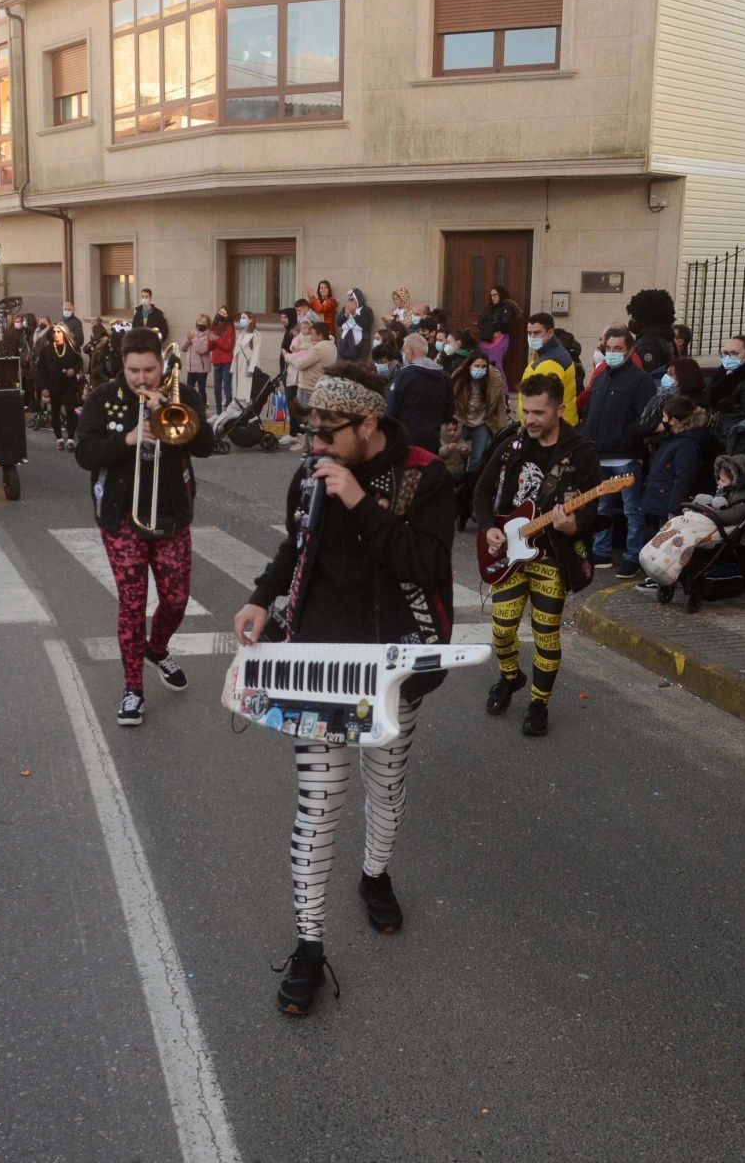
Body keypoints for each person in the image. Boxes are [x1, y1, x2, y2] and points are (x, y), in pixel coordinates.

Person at [232, 361, 455, 1016]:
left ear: (368, 423)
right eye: (311, 432)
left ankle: (375, 874)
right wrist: (261, 598)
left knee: (384, 783)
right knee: (320, 800)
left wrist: (360, 502)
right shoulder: (313, 470)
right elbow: (296, 548)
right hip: (319, 658)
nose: (315, 447)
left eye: (328, 434)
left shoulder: (423, 474)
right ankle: (307, 945)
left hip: (393, 660)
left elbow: (425, 565)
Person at [73, 330, 214, 725]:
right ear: (123, 366)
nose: (141, 379)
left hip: (170, 514)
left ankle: (158, 648)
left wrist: (170, 408)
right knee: (133, 605)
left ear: (160, 365)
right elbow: (85, 453)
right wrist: (130, 437)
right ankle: (133, 689)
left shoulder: (181, 394)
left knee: (176, 599)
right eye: (134, 370)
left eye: (149, 370)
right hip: (122, 517)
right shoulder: (104, 398)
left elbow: (206, 444)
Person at [473, 374, 602, 737]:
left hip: (550, 559)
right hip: (509, 554)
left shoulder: (582, 453)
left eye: (539, 412)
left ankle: (538, 703)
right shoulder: (513, 444)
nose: (530, 419)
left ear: (560, 409)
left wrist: (573, 527)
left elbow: (594, 506)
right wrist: (488, 529)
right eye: (525, 410)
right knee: (501, 629)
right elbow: (481, 491)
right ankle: (510, 677)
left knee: (546, 635)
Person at [578, 326, 657, 572]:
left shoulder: (640, 380)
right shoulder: (601, 377)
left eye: (618, 349)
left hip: (625, 456)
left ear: (629, 350)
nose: (612, 353)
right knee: (602, 507)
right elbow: (590, 412)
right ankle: (601, 551)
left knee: (632, 509)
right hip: (599, 455)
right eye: (608, 348)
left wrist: (626, 438)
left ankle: (633, 555)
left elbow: (647, 418)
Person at [634, 396, 719, 573]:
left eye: (665, 417)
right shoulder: (676, 438)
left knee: (665, 545)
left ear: (674, 420)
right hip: (660, 497)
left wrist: (673, 509)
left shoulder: (686, 444)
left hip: (667, 501)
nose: (662, 420)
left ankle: (662, 576)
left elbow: (683, 479)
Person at [385, 332, 453, 455]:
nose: (403, 353)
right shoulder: (444, 376)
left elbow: (392, 408)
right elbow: (449, 409)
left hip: (407, 439)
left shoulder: (404, 375)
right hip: (432, 439)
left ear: (411, 351)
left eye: (404, 350)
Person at [450, 348, 509, 475]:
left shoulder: (494, 381)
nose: (480, 369)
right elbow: (450, 401)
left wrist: (502, 430)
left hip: (482, 422)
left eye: (483, 367)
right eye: (477, 366)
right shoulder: (458, 378)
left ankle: (471, 486)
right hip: (461, 420)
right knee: (456, 456)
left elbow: (499, 406)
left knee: (477, 458)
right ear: (469, 366)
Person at [518, 313, 578, 427]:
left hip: (546, 428)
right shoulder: (547, 353)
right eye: (529, 333)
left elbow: (540, 403)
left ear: (550, 333)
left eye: (536, 333)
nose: (531, 337)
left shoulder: (550, 362)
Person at [35, 322, 86, 450]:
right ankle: (59, 438)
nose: (56, 334)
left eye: (59, 332)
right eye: (54, 332)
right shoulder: (47, 350)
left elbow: (79, 361)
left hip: (68, 385)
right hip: (53, 385)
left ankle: (70, 438)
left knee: (71, 411)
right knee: (55, 411)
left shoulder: (72, 347)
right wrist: (44, 388)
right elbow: (41, 369)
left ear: (64, 333)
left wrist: (73, 370)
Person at [284, 321, 338, 432]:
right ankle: (308, 443)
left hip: (309, 386)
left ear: (320, 336)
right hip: (318, 385)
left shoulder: (319, 348)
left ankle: (309, 445)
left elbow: (300, 364)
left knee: (308, 419)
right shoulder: (330, 345)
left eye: (313, 334)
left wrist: (287, 357)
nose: (310, 336)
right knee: (312, 419)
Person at [625, 289, 677, 374]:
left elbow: (648, 374)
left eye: (633, 316)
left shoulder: (649, 343)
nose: (631, 319)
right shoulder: (664, 336)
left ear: (643, 318)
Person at [476, 285, 520, 369]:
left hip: (499, 338)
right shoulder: (489, 307)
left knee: (495, 364)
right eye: (491, 295)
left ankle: (498, 382)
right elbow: (480, 322)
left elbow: (505, 323)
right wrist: (490, 329)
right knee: (482, 362)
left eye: (495, 294)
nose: (493, 297)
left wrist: (492, 327)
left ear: (501, 294)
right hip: (486, 338)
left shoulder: (507, 307)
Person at [334, 288, 373, 363]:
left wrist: (354, 314)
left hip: (360, 347)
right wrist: (345, 315)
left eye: (352, 299)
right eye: (349, 299)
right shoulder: (345, 309)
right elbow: (338, 323)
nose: (350, 301)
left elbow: (365, 325)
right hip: (345, 345)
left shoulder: (366, 310)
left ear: (358, 299)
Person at [183, 314, 213, 403]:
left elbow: (201, 350)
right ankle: (189, 407)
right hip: (191, 368)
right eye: (199, 322)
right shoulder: (192, 334)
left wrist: (193, 339)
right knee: (189, 389)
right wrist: (188, 340)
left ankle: (202, 408)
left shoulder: (209, 336)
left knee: (201, 390)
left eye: (204, 322)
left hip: (202, 369)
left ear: (208, 324)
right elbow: (183, 348)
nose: (201, 324)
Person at [209, 310, 235, 410]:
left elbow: (228, 347)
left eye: (224, 313)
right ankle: (218, 411)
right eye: (220, 312)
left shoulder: (229, 329)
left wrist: (216, 339)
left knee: (227, 389)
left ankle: (228, 411)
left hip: (226, 362)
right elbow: (210, 347)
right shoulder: (214, 327)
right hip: (216, 361)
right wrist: (211, 340)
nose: (221, 314)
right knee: (217, 388)